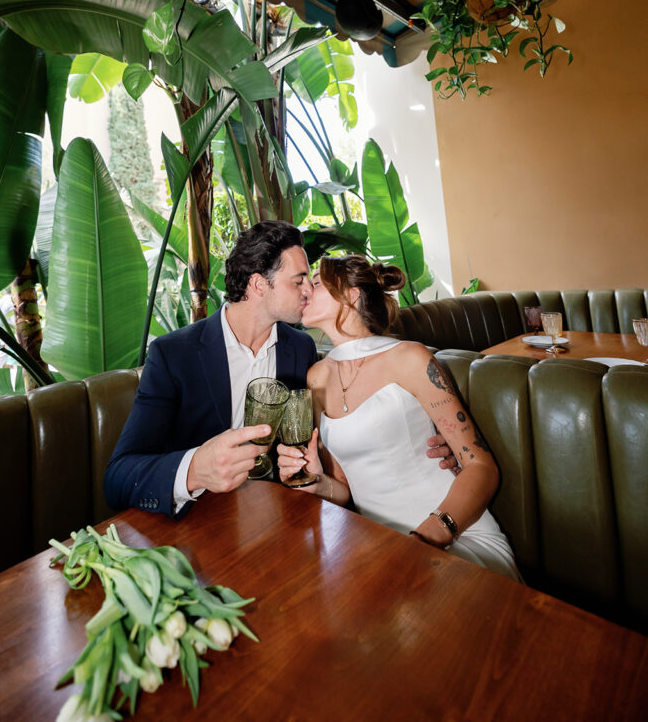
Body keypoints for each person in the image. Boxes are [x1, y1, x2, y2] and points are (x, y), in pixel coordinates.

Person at [105, 222, 456, 519]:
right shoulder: (173, 354)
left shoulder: (300, 348)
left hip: (284, 517)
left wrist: (433, 442)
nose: (309, 290)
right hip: (200, 523)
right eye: (299, 280)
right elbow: (118, 477)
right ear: (259, 285)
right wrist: (196, 469)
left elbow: (335, 439)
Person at [277, 255, 521, 580]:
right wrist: (317, 481)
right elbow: (346, 489)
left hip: (454, 533)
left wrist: (424, 540)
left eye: (317, 282)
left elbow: (481, 467)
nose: (304, 288)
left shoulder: (409, 358)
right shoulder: (316, 378)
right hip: (378, 547)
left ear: (352, 295)